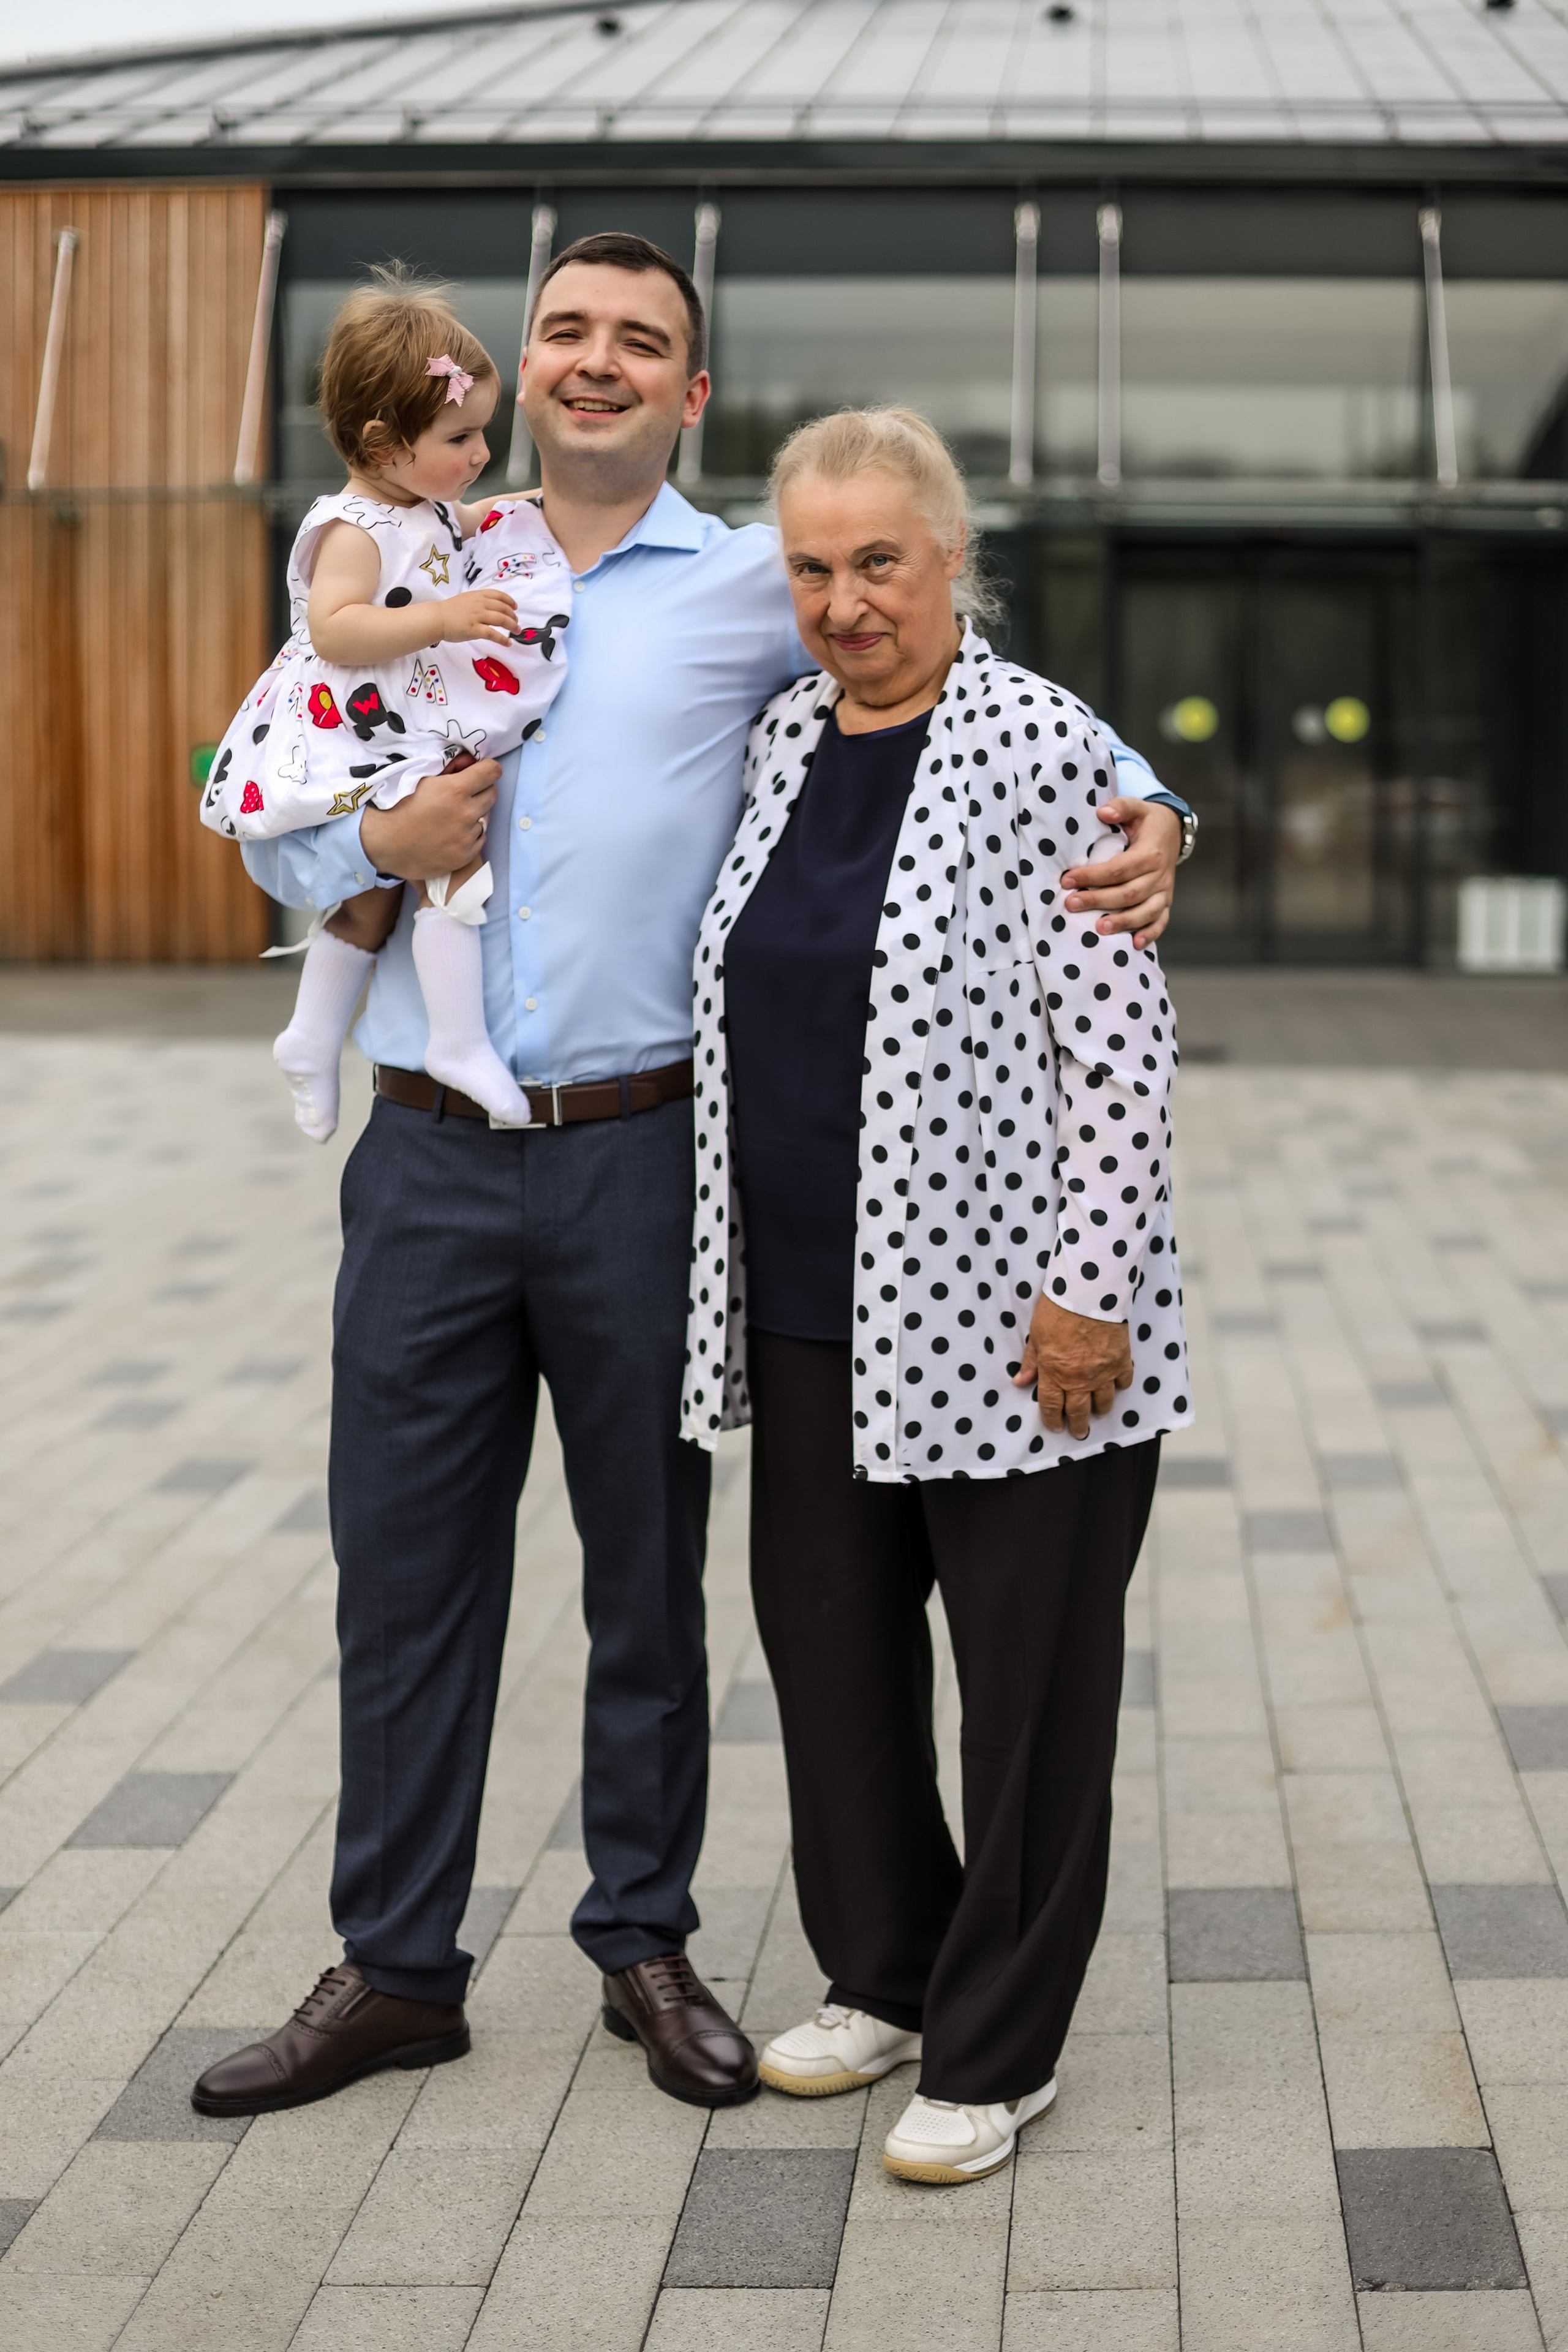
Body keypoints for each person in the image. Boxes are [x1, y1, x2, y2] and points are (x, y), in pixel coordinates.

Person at [190, 238, 1190, 2126]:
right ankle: (395, 1966)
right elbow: (274, 779)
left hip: (646, 1159)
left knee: (651, 1585)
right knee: (399, 1578)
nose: (598, 361)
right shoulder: (407, 555)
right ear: (519, 369)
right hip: (425, 1152)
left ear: (689, 391)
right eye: (567, 330)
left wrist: (1160, 805)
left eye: (640, 341)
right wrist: (369, 852)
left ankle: (641, 1940)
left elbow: (975, 685)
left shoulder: (754, 585)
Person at [682, 407, 1190, 2182]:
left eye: (880, 561)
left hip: (1019, 1324)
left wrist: (1088, 1293)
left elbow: (1121, 1059)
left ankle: (998, 2051)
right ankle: (886, 1975)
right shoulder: (777, 742)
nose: (846, 603)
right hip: (811, 1311)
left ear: (954, 560)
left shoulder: (1043, 747)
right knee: (830, 1663)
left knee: (1028, 1697)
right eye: (813, 569)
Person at [202, 270, 571, 1140]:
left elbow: (454, 529)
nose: (479, 453)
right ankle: (455, 1041)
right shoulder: (354, 528)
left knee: (379, 894)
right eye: (460, 436)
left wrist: (512, 511)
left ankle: (310, 1035)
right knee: (448, 866)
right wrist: (443, 618)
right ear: (382, 443)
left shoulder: (422, 506)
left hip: (397, 715)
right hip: (355, 724)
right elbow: (335, 629)